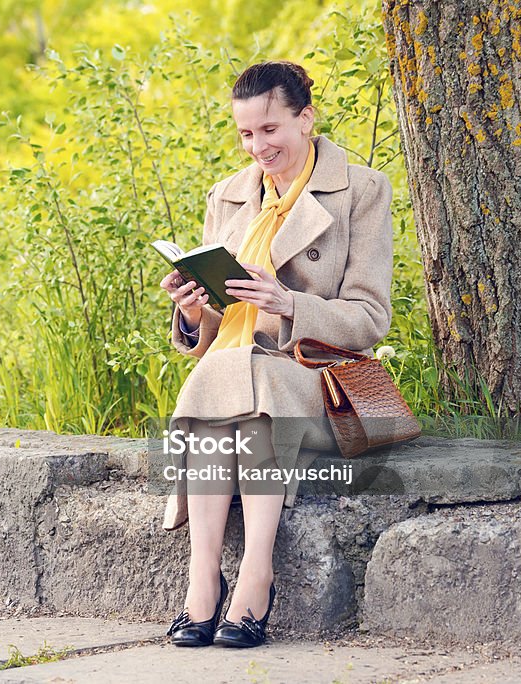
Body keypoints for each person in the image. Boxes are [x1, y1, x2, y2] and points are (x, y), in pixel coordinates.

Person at [158, 60, 393, 648]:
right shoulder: (230, 196)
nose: (257, 146)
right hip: (234, 367)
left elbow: (370, 317)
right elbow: (215, 326)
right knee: (224, 370)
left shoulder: (360, 190)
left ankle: (256, 572)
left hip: (313, 374)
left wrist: (289, 304)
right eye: (245, 133)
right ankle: (204, 574)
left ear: (305, 118)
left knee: (252, 374)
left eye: (270, 130)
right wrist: (191, 310)